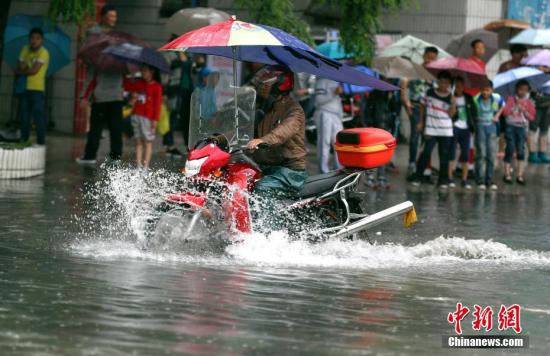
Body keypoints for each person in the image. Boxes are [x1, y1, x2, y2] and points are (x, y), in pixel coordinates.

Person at [246, 66, 307, 198]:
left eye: (267, 84)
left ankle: (269, 220)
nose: (262, 87)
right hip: (268, 166)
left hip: (290, 170)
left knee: (262, 189)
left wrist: (263, 140)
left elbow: (283, 131)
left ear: (280, 86)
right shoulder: (267, 107)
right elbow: (248, 128)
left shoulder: (294, 110)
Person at [77, 4, 123, 165]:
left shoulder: (116, 38)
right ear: (102, 16)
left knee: (112, 127)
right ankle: (98, 156)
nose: (113, 20)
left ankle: (101, 156)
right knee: (101, 127)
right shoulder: (97, 35)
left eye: (115, 17)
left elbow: (90, 68)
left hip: (114, 91)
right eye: (111, 17)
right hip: (102, 92)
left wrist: (85, 95)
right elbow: (91, 69)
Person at [410, 71, 456, 189]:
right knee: (426, 153)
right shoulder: (429, 93)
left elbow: (451, 115)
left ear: (449, 84)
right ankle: (417, 177)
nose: (443, 85)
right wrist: (421, 121)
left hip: (446, 131)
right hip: (431, 129)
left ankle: (443, 180)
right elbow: (421, 105)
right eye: (441, 82)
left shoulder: (451, 97)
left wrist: (453, 105)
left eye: (446, 83)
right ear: (437, 82)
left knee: (444, 155)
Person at [400, 46, 438, 178]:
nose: (430, 60)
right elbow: (403, 83)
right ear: (423, 55)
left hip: (430, 110)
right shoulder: (415, 70)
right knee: (415, 136)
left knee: (428, 138)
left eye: (433, 58)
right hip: (416, 107)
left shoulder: (435, 74)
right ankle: (412, 163)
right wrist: (406, 104)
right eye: (428, 57)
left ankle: (424, 164)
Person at [123, 65, 163, 169]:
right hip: (136, 115)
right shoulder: (139, 83)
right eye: (142, 71)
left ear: (152, 72)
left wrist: (155, 119)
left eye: (145, 71)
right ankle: (138, 166)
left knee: (148, 142)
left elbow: (157, 105)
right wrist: (127, 76)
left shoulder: (157, 86)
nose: (143, 73)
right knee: (138, 141)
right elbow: (128, 87)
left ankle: (145, 166)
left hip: (148, 117)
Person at [15, 28, 49, 145]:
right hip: (25, 88)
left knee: (38, 117)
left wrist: (21, 71)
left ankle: (41, 143)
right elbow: (20, 66)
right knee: (24, 117)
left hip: (37, 90)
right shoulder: (25, 49)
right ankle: (24, 141)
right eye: (32, 38)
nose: (34, 41)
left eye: (37, 38)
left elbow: (34, 70)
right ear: (29, 39)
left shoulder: (44, 52)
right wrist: (23, 68)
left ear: (42, 40)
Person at [502, 80, 536, 185]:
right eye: (521, 89)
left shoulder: (529, 102)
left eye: (525, 90)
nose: (523, 92)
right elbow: (505, 113)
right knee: (510, 148)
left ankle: (520, 175)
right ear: (517, 89)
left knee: (521, 150)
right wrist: (515, 107)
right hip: (511, 126)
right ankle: (507, 173)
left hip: (522, 127)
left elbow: (532, 117)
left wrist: (524, 111)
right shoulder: (511, 99)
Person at [473, 81, 505, 191]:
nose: (485, 92)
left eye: (488, 90)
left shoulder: (496, 98)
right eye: (483, 90)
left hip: (491, 126)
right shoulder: (476, 99)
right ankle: (480, 179)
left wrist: (497, 116)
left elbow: (503, 105)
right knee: (481, 153)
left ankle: (489, 180)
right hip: (480, 126)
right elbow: (473, 111)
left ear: (492, 90)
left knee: (491, 154)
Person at [162, 47, 193, 157]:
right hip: (175, 91)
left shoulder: (190, 55)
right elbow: (165, 74)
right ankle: (169, 145)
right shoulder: (170, 55)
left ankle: (188, 145)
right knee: (172, 119)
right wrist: (165, 92)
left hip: (189, 91)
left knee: (187, 119)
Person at [449, 76, 476, 189]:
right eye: (457, 86)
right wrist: (453, 103)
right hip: (454, 127)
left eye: (461, 86)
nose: (459, 88)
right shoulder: (450, 97)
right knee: (451, 153)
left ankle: (464, 179)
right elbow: (449, 113)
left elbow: (474, 113)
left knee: (465, 154)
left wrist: (472, 127)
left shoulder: (468, 98)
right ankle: (449, 177)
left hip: (466, 128)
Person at [313, 77, 343, 173]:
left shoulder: (337, 80)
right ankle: (323, 171)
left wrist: (340, 115)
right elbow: (319, 100)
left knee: (339, 143)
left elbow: (337, 101)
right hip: (324, 113)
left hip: (336, 115)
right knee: (324, 143)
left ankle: (339, 168)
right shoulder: (321, 81)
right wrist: (334, 93)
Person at [528, 81, 550, 163]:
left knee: (544, 129)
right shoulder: (536, 73)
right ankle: (532, 153)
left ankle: (542, 153)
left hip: (548, 103)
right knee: (532, 129)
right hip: (536, 102)